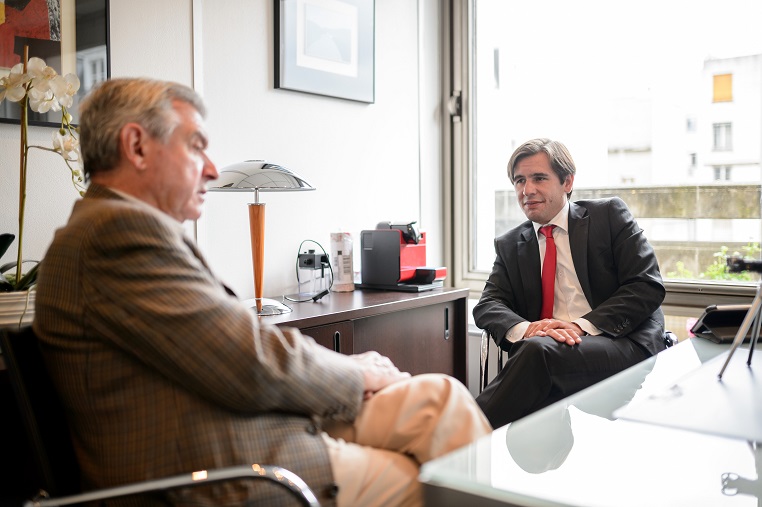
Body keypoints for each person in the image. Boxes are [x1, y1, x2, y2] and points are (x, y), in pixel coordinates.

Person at [33, 78, 491, 507]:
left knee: (440, 400)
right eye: (196, 146)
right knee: (428, 482)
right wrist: (356, 374)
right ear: (136, 146)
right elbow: (249, 361)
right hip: (222, 464)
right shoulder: (115, 236)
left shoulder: (125, 230)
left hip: (249, 421)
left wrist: (354, 370)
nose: (212, 169)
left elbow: (232, 349)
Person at [474, 137, 666, 428]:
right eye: (519, 181)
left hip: (620, 343)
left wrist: (579, 326)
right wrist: (528, 329)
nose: (527, 190)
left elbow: (646, 285)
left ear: (567, 182)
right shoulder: (511, 244)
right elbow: (488, 304)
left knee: (537, 352)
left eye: (539, 178)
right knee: (536, 357)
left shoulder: (608, 216)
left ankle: (460, 433)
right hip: (547, 353)